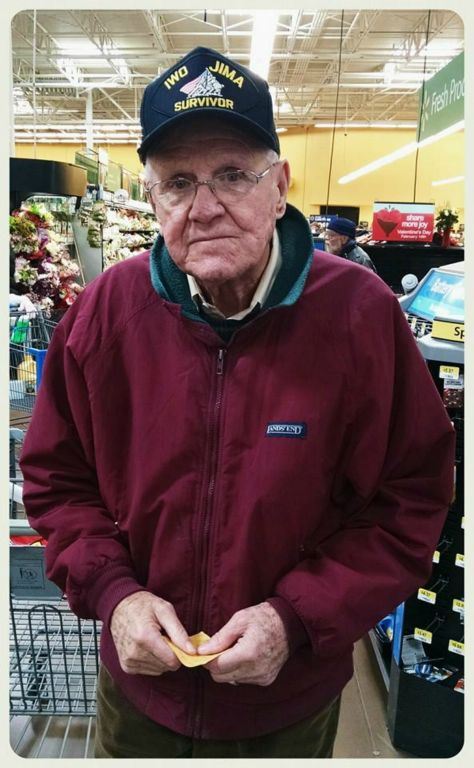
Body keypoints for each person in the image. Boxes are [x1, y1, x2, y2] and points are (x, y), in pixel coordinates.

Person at [20, 46, 455, 759]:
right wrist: (114, 595)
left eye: (232, 175)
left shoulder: (359, 315)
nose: (207, 206)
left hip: (285, 705)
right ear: (153, 198)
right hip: (138, 697)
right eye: (179, 182)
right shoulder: (106, 313)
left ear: (279, 185)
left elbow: (411, 499)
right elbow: (58, 481)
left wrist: (296, 618)